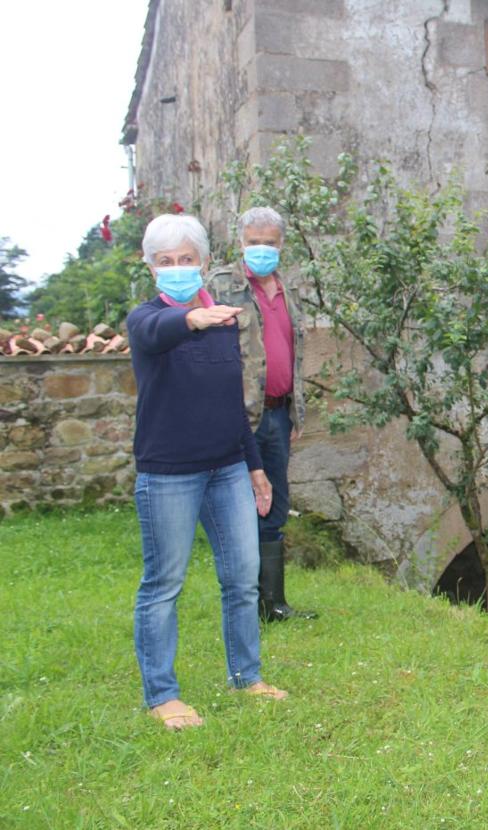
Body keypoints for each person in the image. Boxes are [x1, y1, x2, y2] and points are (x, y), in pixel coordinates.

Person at [127, 213, 288, 731]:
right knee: (164, 584)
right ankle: (163, 695)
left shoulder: (223, 322)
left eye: (186, 259)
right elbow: (154, 333)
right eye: (166, 261)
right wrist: (191, 319)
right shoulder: (146, 319)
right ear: (151, 267)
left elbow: (232, 405)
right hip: (170, 474)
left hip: (226, 470)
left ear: (202, 262)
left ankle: (247, 676)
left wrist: (255, 468)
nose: (177, 268)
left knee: (241, 578)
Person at [208, 206, 316, 622]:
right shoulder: (221, 287)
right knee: (242, 504)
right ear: (241, 243)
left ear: (281, 245)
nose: (261, 250)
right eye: (254, 243)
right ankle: (246, 603)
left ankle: (273, 605)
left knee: (275, 504)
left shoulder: (290, 290)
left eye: (269, 243)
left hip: (279, 415)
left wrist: (295, 413)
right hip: (240, 418)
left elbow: (297, 353)